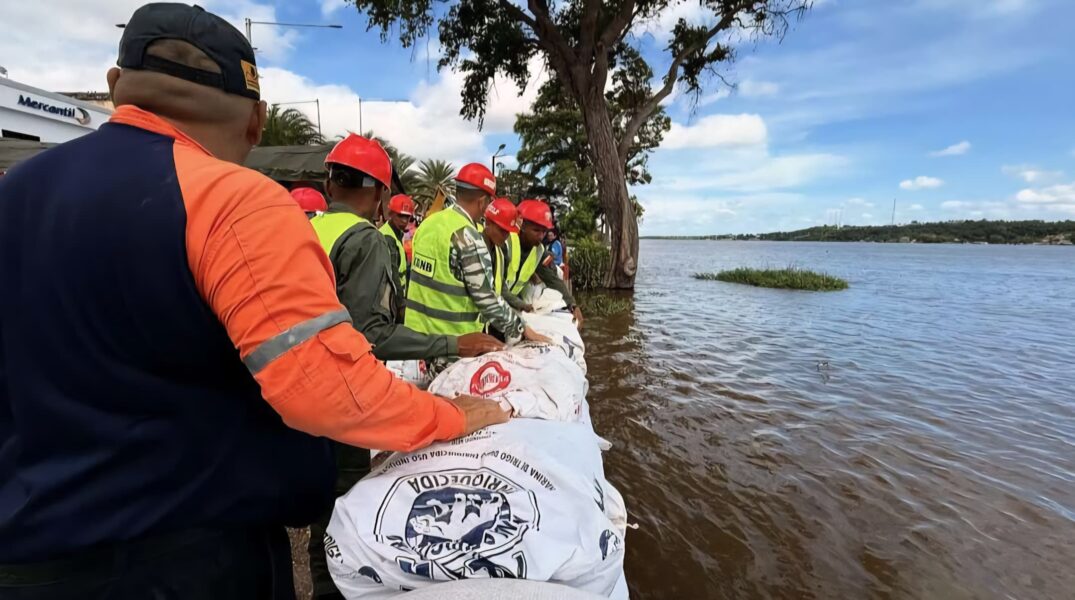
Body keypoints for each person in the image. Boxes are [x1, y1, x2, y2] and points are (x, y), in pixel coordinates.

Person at [0, 4, 508, 599]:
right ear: (256, 121)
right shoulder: (232, 199)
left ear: (116, 87)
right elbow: (323, 389)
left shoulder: (15, 191)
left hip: (29, 551)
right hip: (181, 555)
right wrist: (450, 418)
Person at [306, 137, 504, 599]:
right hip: (337, 397)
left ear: (329, 181)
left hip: (290, 389)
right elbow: (369, 334)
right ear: (377, 194)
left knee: (316, 507)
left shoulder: (309, 228)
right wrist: (455, 343)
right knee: (343, 509)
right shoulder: (367, 241)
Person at [405, 163, 546, 351]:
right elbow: (486, 299)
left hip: (415, 341)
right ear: (483, 202)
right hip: (451, 346)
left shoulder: (428, 225)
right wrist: (522, 329)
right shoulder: (467, 237)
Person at [503, 199, 584, 328]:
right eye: (536, 231)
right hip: (495, 304)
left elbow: (553, 279)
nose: (541, 237)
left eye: (544, 232)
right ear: (522, 226)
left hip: (509, 305)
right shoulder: (505, 242)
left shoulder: (539, 251)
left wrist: (572, 305)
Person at [380, 193, 415, 285]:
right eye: (400, 216)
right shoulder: (388, 237)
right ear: (390, 214)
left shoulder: (398, 234)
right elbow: (393, 277)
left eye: (407, 217)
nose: (404, 221)